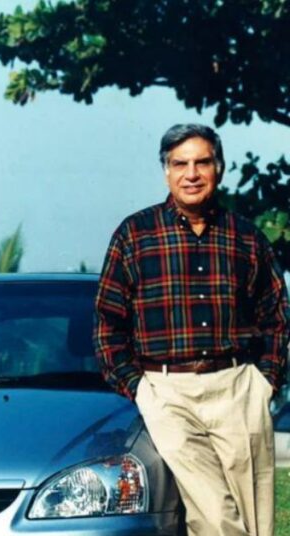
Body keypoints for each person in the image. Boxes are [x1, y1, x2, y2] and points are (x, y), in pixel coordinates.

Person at [94, 123, 289, 536]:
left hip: (239, 388)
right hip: (168, 394)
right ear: (166, 171)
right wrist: (141, 388)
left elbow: (277, 316)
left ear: (219, 168)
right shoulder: (135, 236)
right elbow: (108, 326)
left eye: (202, 162)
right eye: (180, 163)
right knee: (215, 514)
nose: (192, 173)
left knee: (256, 521)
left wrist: (265, 381)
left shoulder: (247, 239)